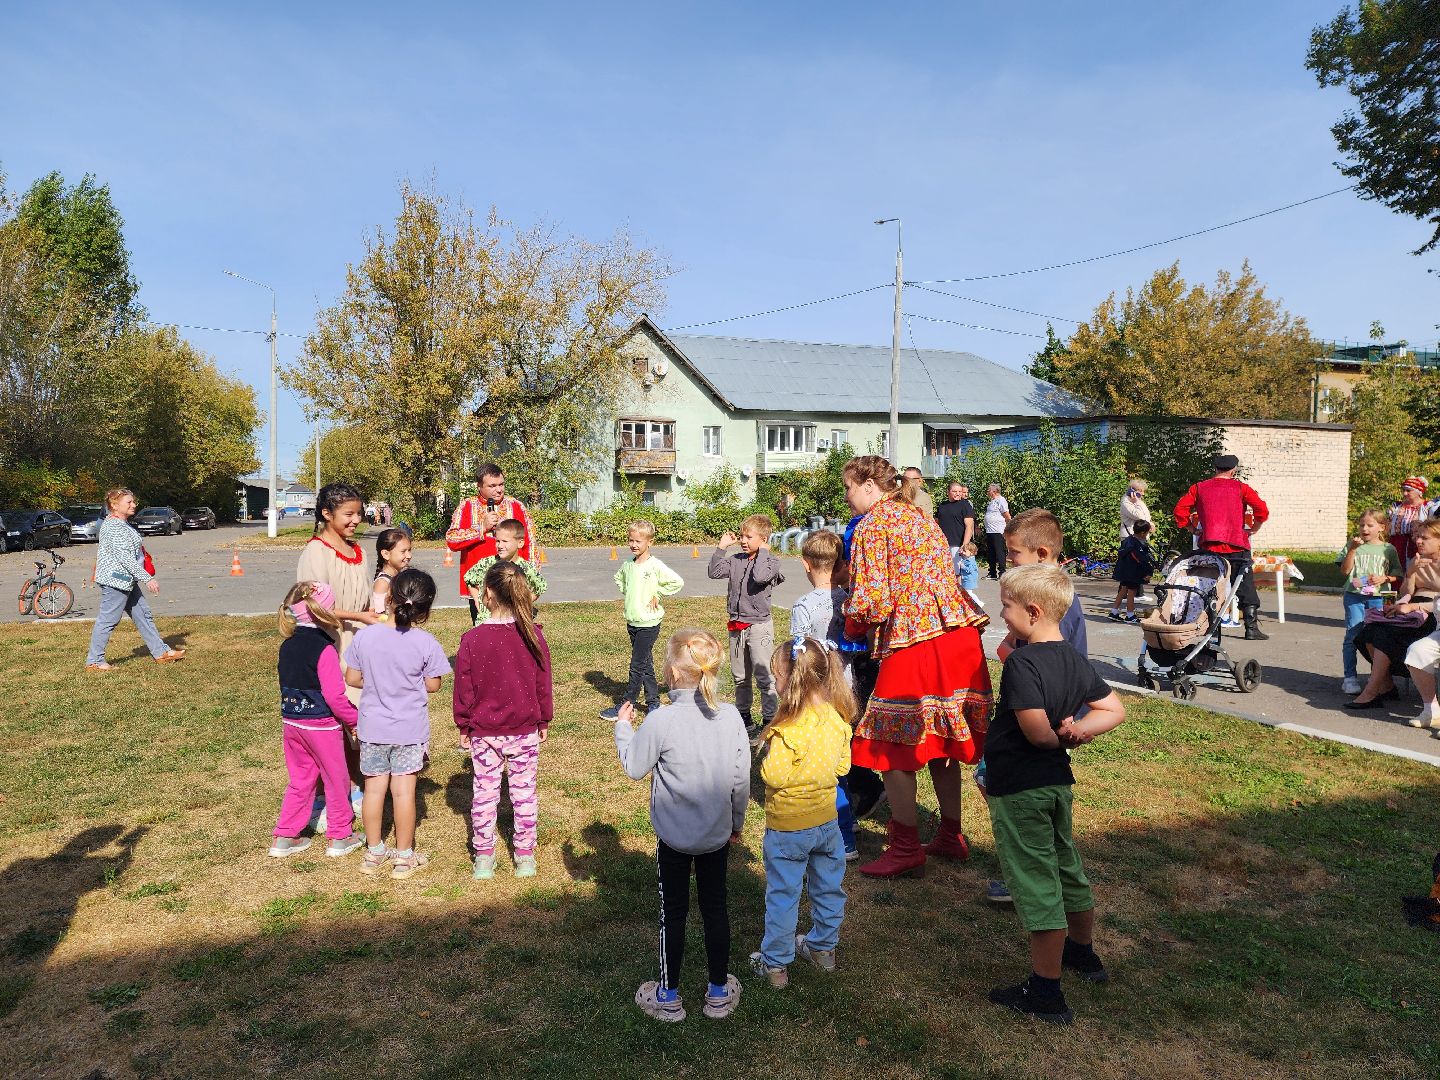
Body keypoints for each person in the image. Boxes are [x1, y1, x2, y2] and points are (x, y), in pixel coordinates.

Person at [986, 563, 1126, 1025]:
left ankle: (1046, 992)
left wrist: (1060, 736)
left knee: (1035, 880)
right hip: (1056, 785)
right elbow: (1113, 710)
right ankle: (1083, 955)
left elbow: (1035, 732)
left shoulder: (1024, 663)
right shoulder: (1073, 658)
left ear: (1032, 610)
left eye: (1006, 607)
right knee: (1066, 865)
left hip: (1021, 786)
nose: (1001, 615)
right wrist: (1081, 730)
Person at [842, 455, 991, 879]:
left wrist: (849, 622)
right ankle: (950, 834)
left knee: (893, 743)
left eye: (849, 488)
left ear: (869, 485)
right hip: (957, 633)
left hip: (916, 640)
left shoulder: (874, 525)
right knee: (941, 737)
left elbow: (872, 600)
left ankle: (906, 846)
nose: (848, 497)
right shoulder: (918, 515)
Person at [613, 628, 748, 1022]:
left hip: (672, 839)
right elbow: (741, 780)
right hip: (716, 835)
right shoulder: (731, 720)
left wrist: (623, 728)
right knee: (715, 908)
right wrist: (736, 822)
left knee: (672, 913)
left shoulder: (661, 720)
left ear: (671, 672)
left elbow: (635, 767)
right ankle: (718, 994)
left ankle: (668, 996)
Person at [748, 636, 852, 989]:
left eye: (777, 676)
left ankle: (775, 966)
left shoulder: (785, 731)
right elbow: (842, 767)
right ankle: (823, 949)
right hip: (826, 823)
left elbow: (773, 776)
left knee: (783, 895)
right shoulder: (837, 719)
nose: (774, 683)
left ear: (791, 681)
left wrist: (762, 762)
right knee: (828, 888)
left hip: (788, 829)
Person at [344, 568, 451, 880]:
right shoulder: (425, 643)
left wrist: (377, 679)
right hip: (408, 730)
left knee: (374, 791)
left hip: (372, 727)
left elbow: (352, 677)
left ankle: (374, 851)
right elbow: (433, 685)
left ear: (388, 598)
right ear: (425, 609)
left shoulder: (366, 637)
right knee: (404, 793)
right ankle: (404, 857)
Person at [453, 562, 553, 880]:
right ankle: (524, 857)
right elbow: (543, 684)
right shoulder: (533, 636)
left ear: (489, 594)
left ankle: (484, 857)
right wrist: (543, 720)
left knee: (484, 793)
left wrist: (464, 725)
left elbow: (464, 688)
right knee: (524, 794)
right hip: (524, 730)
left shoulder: (472, 639)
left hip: (484, 732)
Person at [268, 582, 365, 859]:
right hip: (321, 725)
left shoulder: (287, 646)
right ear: (324, 613)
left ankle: (284, 837)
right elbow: (335, 696)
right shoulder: (324, 649)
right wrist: (353, 719)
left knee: (300, 780)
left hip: (292, 723)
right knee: (336, 779)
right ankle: (340, 836)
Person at [789, 530, 858, 860]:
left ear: (806, 564)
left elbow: (798, 654)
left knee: (825, 764)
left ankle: (842, 836)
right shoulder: (849, 601)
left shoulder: (803, 606)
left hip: (817, 693)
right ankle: (849, 825)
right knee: (843, 756)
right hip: (847, 689)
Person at [84, 487, 186, 671]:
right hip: (116, 581)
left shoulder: (121, 523)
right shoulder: (114, 526)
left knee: (143, 615)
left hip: (126, 580)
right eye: (129, 502)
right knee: (108, 620)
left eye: (133, 501)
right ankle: (94, 661)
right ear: (114, 505)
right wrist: (147, 578)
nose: (134, 505)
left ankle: (160, 652)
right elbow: (124, 558)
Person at [1172, 454, 1271, 641]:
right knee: (1244, 584)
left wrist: (1193, 529)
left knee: (1210, 585)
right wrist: (1254, 528)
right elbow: (1261, 510)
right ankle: (1251, 628)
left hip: (1210, 547)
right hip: (1237, 545)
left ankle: (1209, 627)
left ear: (1215, 469)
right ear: (1233, 471)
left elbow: (1180, 511)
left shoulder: (1199, 488)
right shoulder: (1241, 488)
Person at [1348, 518, 1440, 709]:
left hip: (1433, 613)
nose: (1418, 541)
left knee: (1385, 634)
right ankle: (1386, 684)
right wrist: (1411, 573)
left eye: (1425, 538)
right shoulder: (1417, 559)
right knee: (1369, 630)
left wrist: (1413, 608)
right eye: (1417, 537)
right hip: (1411, 607)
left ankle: (1371, 692)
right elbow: (1406, 593)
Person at [707, 514, 784, 730]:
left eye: (749, 537)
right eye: (741, 536)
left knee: (764, 676)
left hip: (759, 626)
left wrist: (764, 552)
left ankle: (769, 718)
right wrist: (721, 548)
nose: (743, 541)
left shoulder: (771, 562)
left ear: (764, 539)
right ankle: (744, 716)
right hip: (737, 625)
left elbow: (759, 577)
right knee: (740, 676)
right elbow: (714, 572)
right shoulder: (735, 560)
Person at [602, 520, 685, 720]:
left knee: (637, 665)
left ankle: (626, 705)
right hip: (633, 623)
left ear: (650, 542)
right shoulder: (628, 565)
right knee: (646, 663)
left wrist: (658, 592)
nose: (634, 544)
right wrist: (631, 594)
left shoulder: (654, 565)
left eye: (638, 541)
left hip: (649, 624)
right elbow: (619, 579)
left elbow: (677, 582)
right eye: (631, 540)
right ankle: (654, 703)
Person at [446, 463, 535, 625]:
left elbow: (530, 544)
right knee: (483, 630)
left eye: (501, 484)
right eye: (492, 486)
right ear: (479, 486)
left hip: (512, 582)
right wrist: (481, 529)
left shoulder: (516, 506)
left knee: (516, 629)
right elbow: (452, 539)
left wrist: (530, 577)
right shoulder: (466, 506)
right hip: (480, 587)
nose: (499, 490)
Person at [1338, 509, 1402, 696]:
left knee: (1380, 637)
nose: (1364, 528)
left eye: (1369, 525)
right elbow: (1344, 571)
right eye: (1361, 525)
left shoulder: (1388, 549)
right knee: (1353, 634)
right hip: (1354, 596)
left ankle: (1381, 678)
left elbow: (1398, 574)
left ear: (1381, 527)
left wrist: (1384, 578)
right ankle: (1350, 678)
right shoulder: (1352, 545)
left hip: (1381, 597)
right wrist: (1351, 549)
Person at [462, 519, 547, 622]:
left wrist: (523, 604)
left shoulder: (526, 568)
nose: (500, 546)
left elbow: (540, 587)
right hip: (488, 622)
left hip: (515, 623)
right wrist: (478, 602)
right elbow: (469, 578)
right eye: (498, 541)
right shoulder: (486, 563)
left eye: (505, 541)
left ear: (520, 543)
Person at [1110, 520, 1158, 623]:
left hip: (1124, 571)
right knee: (1131, 593)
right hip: (1132, 572)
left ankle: (1114, 612)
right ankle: (1130, 615)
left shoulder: (1128, 540)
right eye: (1147, 533)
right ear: (1142, 533)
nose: (1147, 535)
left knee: (1123, 591)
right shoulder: (1136, 545)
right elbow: (1141, 560)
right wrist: (1148, 572)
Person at [1389, 477, 1431, 568]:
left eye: (1408, 490)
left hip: (1417, 546)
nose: (1404, 493)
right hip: (1396, 545)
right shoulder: (1396, 506)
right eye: (1403, 490)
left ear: (1419, 491)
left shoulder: (1428, 507)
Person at [371, 528, 413, 616]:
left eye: (409, 550)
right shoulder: (382, 583)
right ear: (386, 554)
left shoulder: (401, 576)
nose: (409, 555)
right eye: (403, 552)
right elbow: (379, 617)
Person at [937, 481, 976, 559]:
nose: (958, 493)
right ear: (948, 492)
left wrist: (965, 545)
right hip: (943, 545)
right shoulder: (942, 505)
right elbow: (936, 524)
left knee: (958, 570)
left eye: (960, 491)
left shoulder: (965, 505)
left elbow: (969, 526)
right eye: (954, 491)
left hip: (958, 546)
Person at [983, 483, 1012, 579]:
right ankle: (992, 572)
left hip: (998, 531)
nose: (987, 492)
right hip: (990, 531)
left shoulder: (1001, 500)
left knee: (999, 552)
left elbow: (1006, 515)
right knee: (990, 552)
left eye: (989, 490)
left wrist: (1009, 528)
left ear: (994, 491)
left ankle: (1002, 572)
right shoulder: (992, 501)